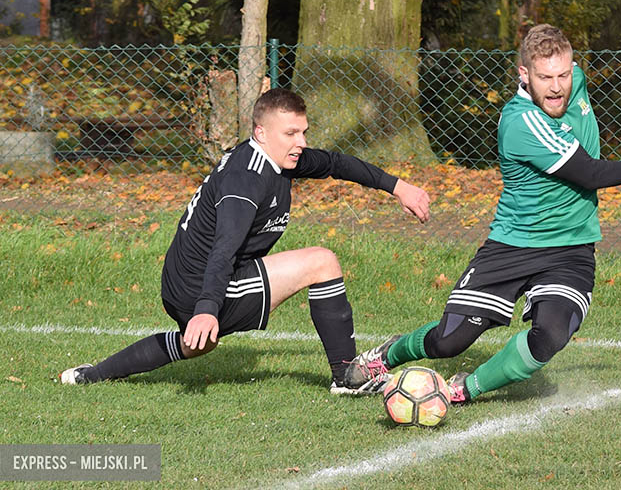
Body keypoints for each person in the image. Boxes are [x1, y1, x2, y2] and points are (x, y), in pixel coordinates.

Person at [345, 24, 621, 403]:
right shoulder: (521, 122)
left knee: (552, 334)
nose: (557, 87)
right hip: (513, 247)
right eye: (545, 78)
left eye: (563, 75)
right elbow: (590, 174)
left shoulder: (570, 80)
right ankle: (387, 355)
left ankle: (465, 389)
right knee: (449, 341)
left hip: (570, 249)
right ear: (524, 75)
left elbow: (562, 63)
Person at [60, 88, 430, 394]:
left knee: (196, 345)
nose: (301, 142)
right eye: (291, 134)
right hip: (202, 285)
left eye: (303, 132)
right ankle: (347, 377)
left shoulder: (276, 158)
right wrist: (207, 308)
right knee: (321, 262)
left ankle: (90, 375)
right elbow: (225, 246)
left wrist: (398, 187)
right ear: (261, 132)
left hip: (183, 283)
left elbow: (335, 163)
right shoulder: (246, 179)